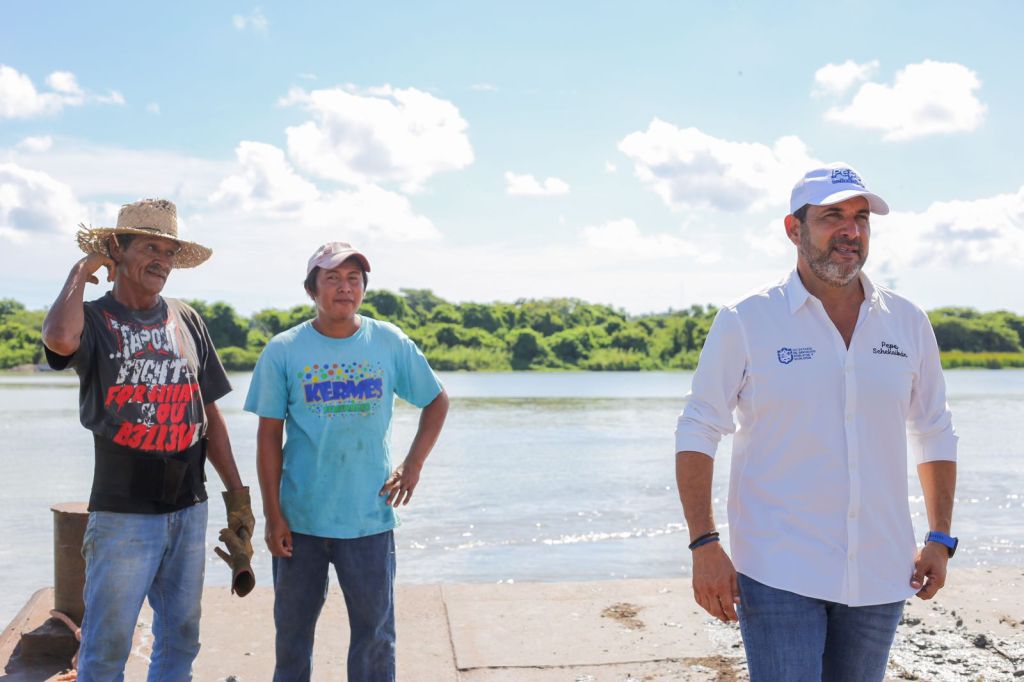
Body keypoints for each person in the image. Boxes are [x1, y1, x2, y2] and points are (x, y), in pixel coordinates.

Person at [674, 163, 958, 681]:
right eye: (834, 217)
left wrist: (940, 537)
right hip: (778, 568)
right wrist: (704, 544)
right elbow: (698, 428)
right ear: (794, 229)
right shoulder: (746, 320)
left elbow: (934, 429)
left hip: (880, 569)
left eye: (861, 218)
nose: (852, 231)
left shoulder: (908, 322)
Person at [41, 198, 254, 682]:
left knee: (181, 638)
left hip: (188, 507)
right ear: (117, 248)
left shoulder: (187, 319)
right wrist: (82, 269)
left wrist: (237, 498)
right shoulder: (93, 319)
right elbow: (58, 339)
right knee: (106, 647)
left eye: (170, 251)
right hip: (122, 516)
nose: (162, 259)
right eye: (150, 247)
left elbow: (210, 415)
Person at [245, 241, 449, 682]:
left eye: (353, 279)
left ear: (363, 288)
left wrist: (413, 465)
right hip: (300, 521)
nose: (344, 288)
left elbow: (436, 401)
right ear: (312, 289)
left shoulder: (388, 341)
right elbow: (267, 437)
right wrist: (272, 515)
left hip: (369, 520)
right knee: (293, 634)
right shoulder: (284, 350)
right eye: (332, 278)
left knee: (375, 637)